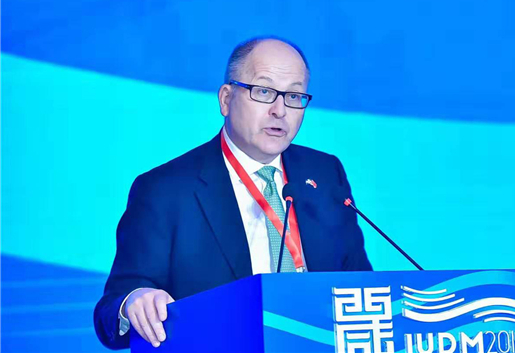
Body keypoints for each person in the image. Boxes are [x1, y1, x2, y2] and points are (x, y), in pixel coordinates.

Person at [94, 37, 372, 350]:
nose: (280, 110)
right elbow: (111, 310)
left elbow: (361, 285)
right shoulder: (165, 189)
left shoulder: (324, 173)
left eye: (294, 96)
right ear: (226, 99)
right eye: (264, 91)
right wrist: (134, 301)